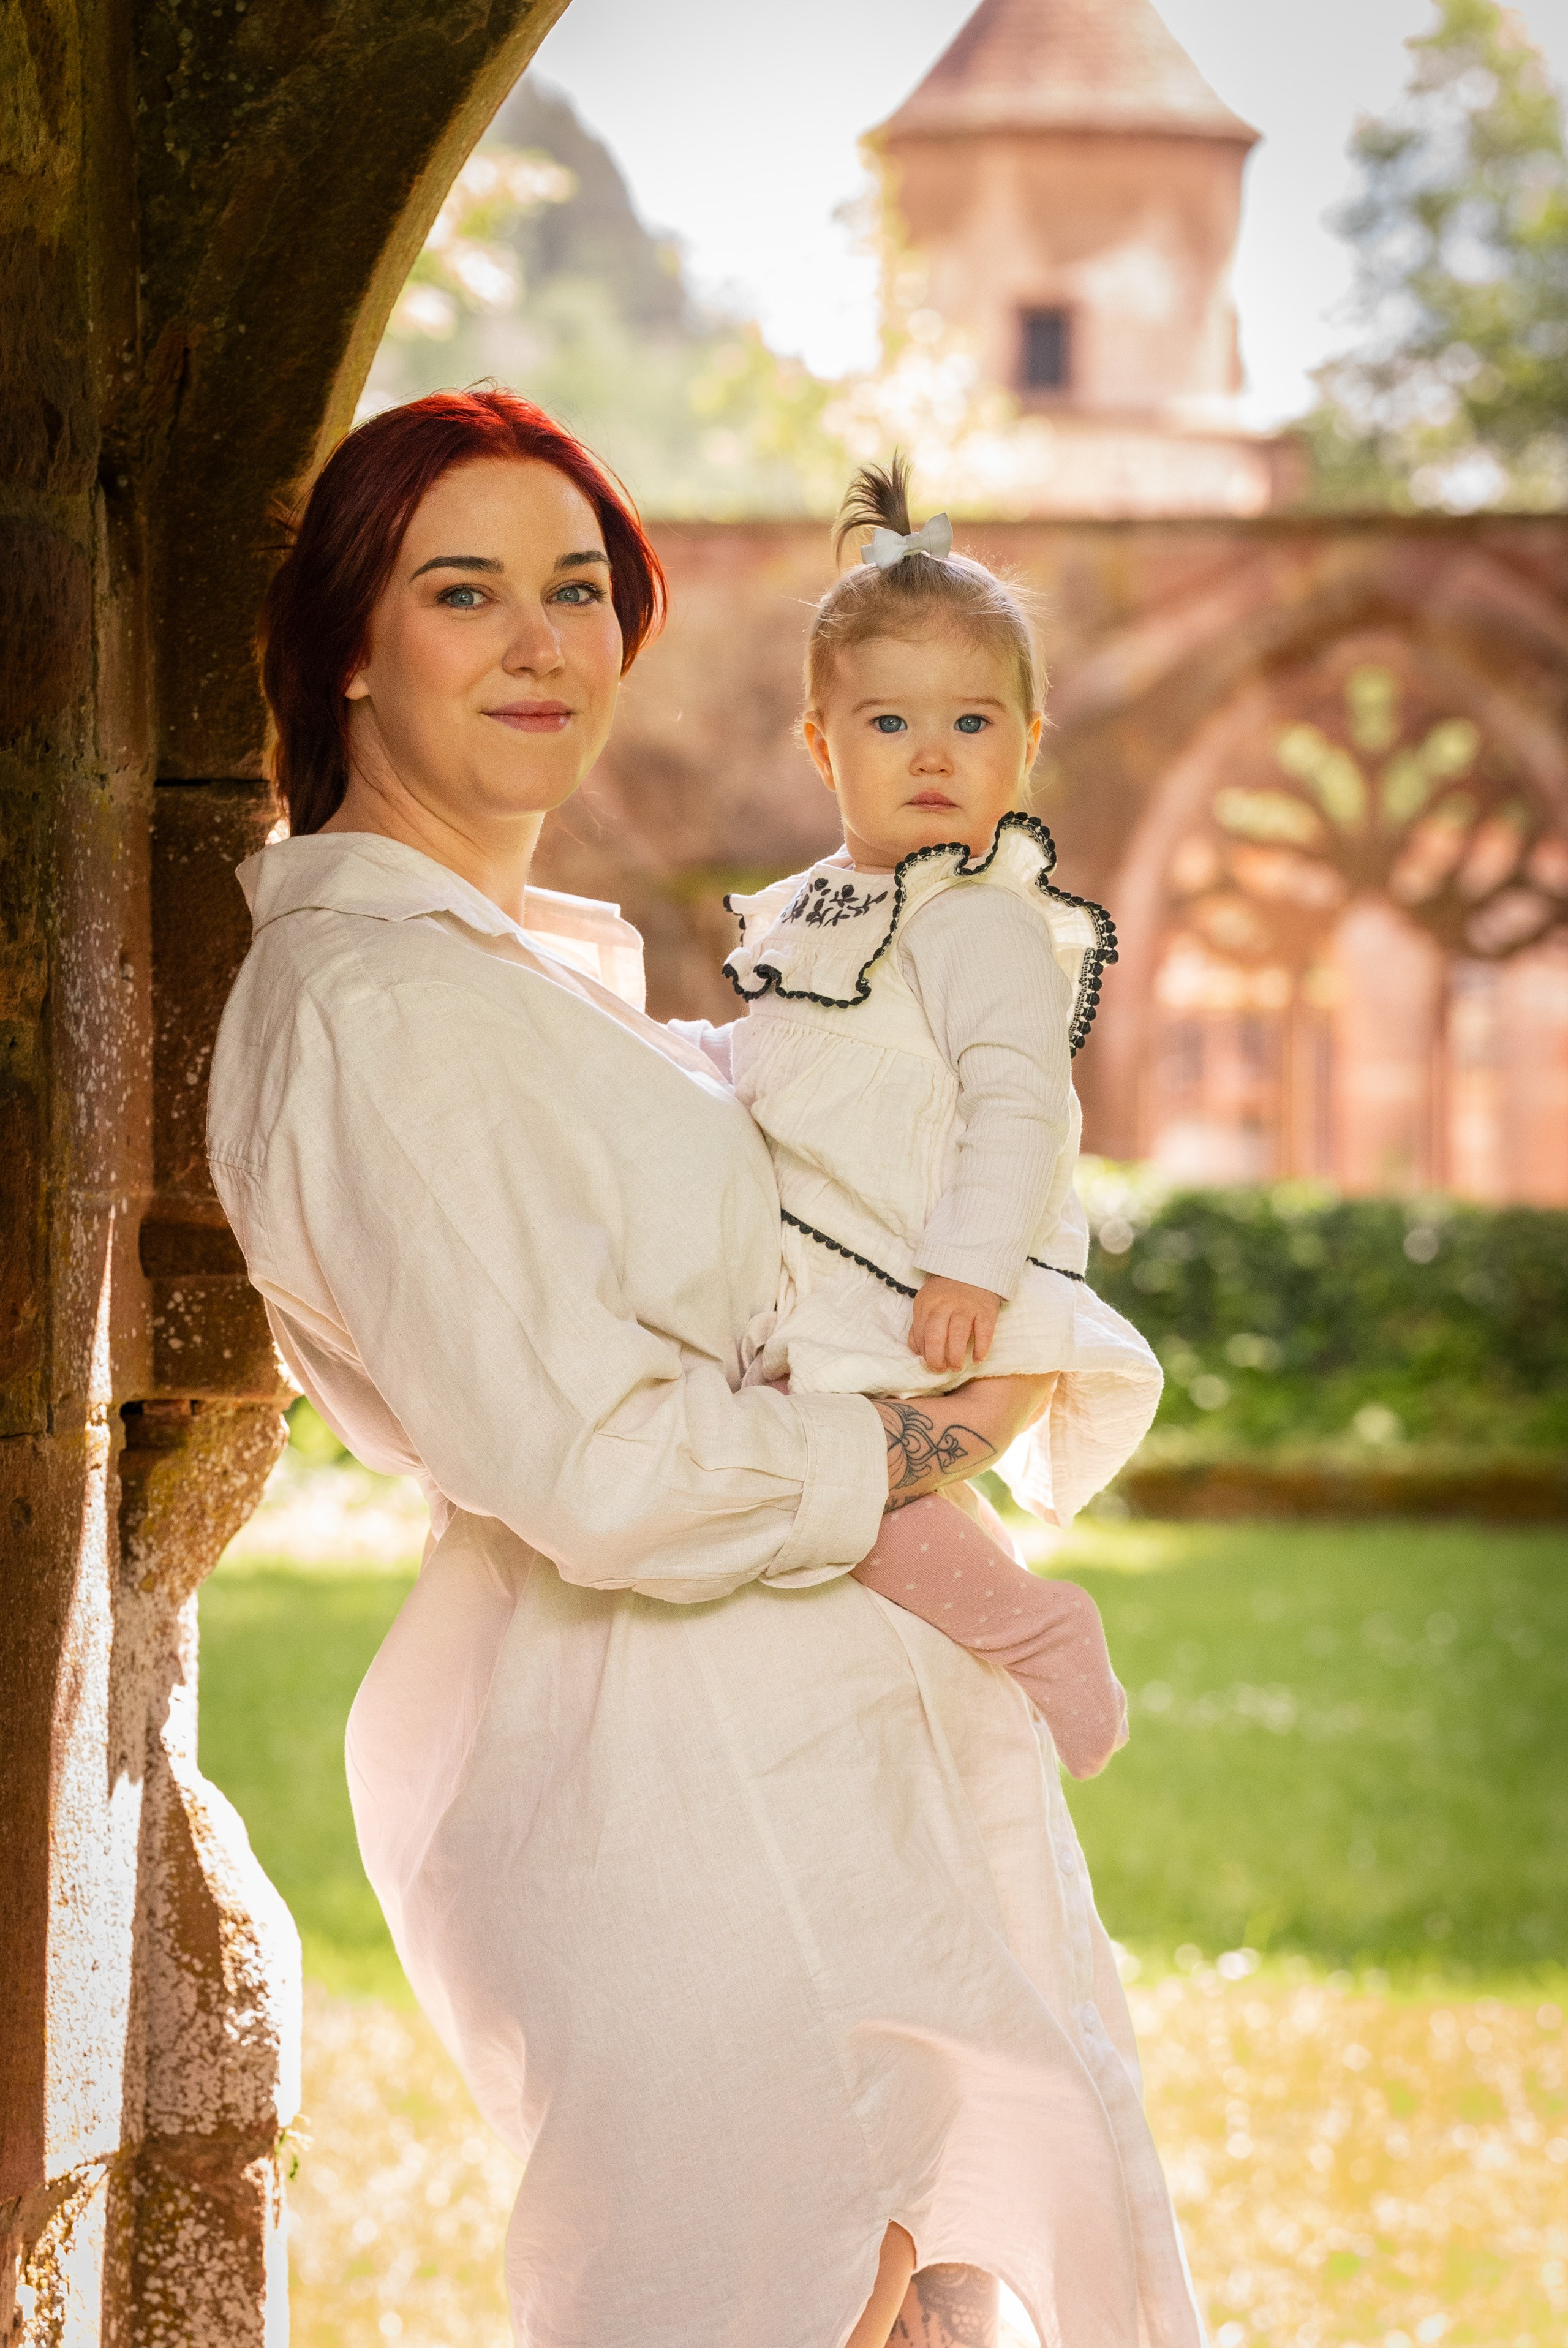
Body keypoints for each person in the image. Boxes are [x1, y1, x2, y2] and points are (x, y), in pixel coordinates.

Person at [206, 389, 1205, 2348]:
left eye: (578, 589)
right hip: (690, 1793)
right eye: (462, 592)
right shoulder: (377, 1005)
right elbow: (600, 1468)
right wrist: (922, 1444)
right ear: (350, 648)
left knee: (923, 2300)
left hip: (808, 1778)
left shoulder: (518, 977)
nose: (538, 642)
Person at [669, 458, 1164, 1776]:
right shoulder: (816, 907)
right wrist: (676, 1056)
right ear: (820, 745)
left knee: (845, 1483)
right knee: (829, 1487)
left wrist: (970, 1265)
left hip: (925, 1278)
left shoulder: (977, 918)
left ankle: (1039, 1632)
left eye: (971, 723)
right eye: (888, 722)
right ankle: (935, 1671)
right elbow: (779, 1053)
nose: (933, 754)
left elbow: (1019, 1104)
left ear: (1026, 744)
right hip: (838, 1261)